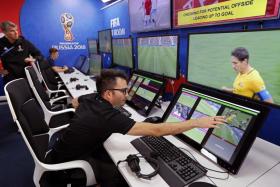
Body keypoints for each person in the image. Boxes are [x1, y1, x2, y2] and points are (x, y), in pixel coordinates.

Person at [48, 69, 225, 187]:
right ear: (108, 93)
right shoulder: (109, 116)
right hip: (66, 169)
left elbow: (75, 101)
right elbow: (156, 131)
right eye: (124, 91)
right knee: (124, 175)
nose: (127, 94)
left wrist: (88, 124)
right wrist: (196, 122)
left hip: (58, 151)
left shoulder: (93, 97)